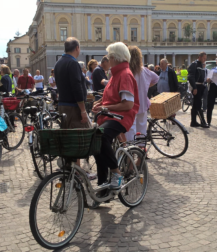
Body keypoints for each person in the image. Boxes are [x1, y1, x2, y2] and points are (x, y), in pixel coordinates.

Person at [92, 42, 139, 190]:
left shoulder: (124, 74)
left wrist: (104, 107)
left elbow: (128, 105)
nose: (107, 60)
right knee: (96, 146)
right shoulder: (116, 74)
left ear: (115, 58)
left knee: (101, 136)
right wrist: (99, 103)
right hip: (110, 116)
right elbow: (110, 95)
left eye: (109, 57)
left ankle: (116, 173)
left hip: (121, 117)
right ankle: (102, 187)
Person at [125, 45, 159, 142]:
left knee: (131, 129)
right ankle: (141, 151)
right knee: (142, 129)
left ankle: (131, 151)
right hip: (143, 103)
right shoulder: (144, 70)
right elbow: (156, 78)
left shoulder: (128, 71)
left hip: (131, 104)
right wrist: (147, 85)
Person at [54, 37, 89, 129]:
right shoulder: (73, 63)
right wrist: (83, 110)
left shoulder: (59, 62)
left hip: (63, 105)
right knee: (85, 135)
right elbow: (76, 87)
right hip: (73, 107)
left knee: (67, 136)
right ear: (77, 48)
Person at [188, 52, 209, 128]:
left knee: (195, 105)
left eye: (205, 58)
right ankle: (203, 122)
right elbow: (191, 77)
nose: (205, 60)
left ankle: (193, 121)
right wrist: (194, 87)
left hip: (200, 86)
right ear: (199, 57)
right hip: (196, 86)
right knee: (199, 104)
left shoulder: (200, 65)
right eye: (204, 58)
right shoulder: (194, 64)